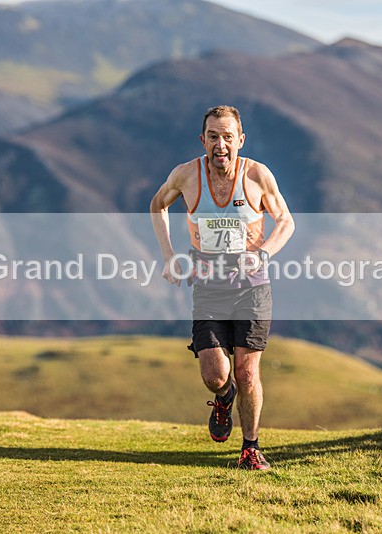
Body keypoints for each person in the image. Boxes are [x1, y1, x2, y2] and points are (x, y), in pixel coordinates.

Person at [150, 105, 294, 470]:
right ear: (203, 140)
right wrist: (169, 256)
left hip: (252, 287)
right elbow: (157, 205)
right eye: (213, 136)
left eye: (228, 137)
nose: (221, 144)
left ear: (240, 140)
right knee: (216, 375)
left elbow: (286, 222)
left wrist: (261, 253)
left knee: (247, 372)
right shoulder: (186, 175)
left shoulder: (258, 175)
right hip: (208, 288)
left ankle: (250, 448)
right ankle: (224, 397)